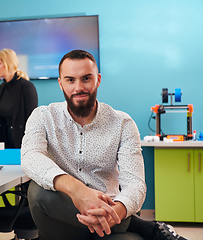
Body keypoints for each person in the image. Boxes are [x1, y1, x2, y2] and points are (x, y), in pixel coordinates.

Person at [21, 50, 188, 240]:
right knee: (38, 193)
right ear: (60, 83)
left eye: (86, 79)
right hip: (60, 226)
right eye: (70, 80)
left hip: (111, 222)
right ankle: (143, 227)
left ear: (98, 80)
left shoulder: (122, 123)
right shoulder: (43, 116)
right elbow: (30, 157)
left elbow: (135, 184)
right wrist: (77, 190)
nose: (78, 87)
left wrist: (117, 211)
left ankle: (128, 226)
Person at [0, 49, 38, 148]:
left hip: (23, 144)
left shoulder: (26, 86)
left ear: (8, 62)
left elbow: (33, 120)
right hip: (5, 143)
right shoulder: (1, 89)